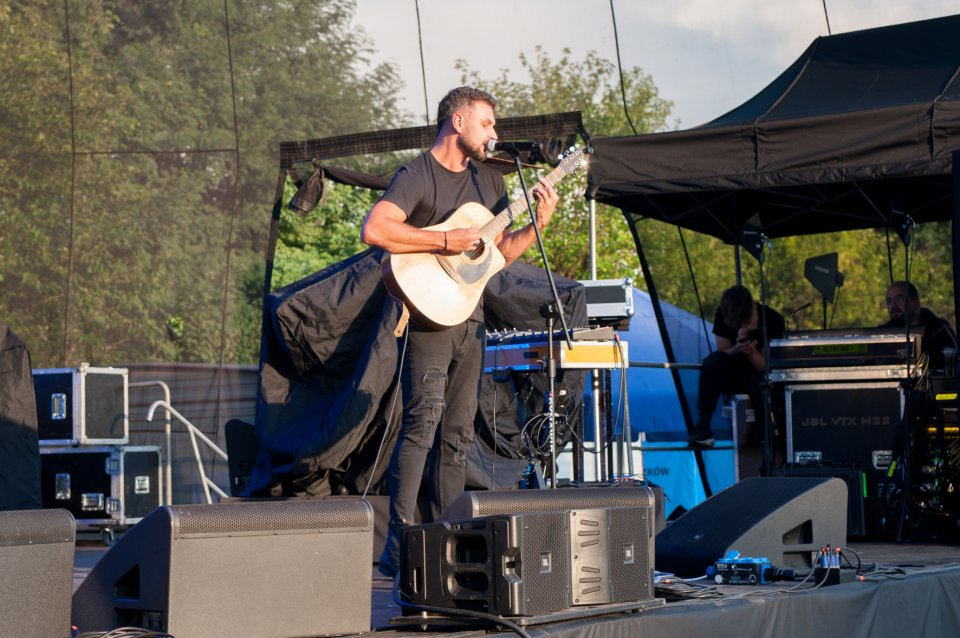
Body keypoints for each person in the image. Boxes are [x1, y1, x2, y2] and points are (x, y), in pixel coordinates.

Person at [360, 86, 559, 577]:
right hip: (427, 317)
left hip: (469, 317)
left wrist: (539, 223)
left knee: (456, 433)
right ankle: (399, 542)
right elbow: (376, 230)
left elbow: (498, 256)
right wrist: (444, 239)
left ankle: (445, 540)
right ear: (457, 122)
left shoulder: (491, 183)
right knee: (422, 423)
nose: (494, 133)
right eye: (487, 123)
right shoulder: (417, 174)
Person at [688, 285, 786, 451]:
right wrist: (740, 343)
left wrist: (751, 350)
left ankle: (766, 442)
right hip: (734, 371)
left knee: (760, 386)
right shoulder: (723, 314)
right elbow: (722, 350)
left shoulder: (773, 319)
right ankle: (703, 428)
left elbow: (764, 366)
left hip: (758, 373)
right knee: (712, 362)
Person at [880, 281, 958, 373]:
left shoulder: (938, 328)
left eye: (899, 299)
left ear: (915, 300)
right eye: (889, 301)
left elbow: (952, 364)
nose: (893, 305)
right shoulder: (883, 332)